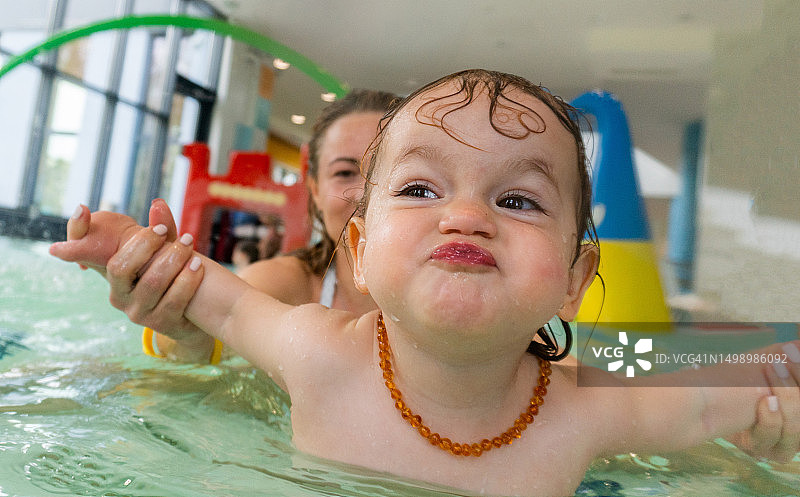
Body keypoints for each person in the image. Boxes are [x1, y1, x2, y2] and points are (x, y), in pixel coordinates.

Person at [50, 70, 800, 497]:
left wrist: (774, 413)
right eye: (419, 190)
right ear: (357, 245)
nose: (466, 215)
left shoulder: (585, 412)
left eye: (517, 199)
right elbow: (217, 295)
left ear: (575, 279)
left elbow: (719, 383)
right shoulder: (312, 342)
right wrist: (138, 251)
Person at [131, 89, 397, 362]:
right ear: (315, 190)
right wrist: (184, 334)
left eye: (389, 170)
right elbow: (213, 328)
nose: (366, 193)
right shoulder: (291, 286)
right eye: (345, 173)